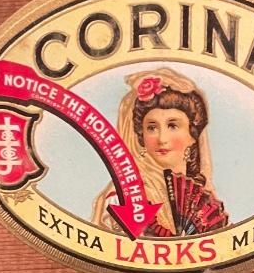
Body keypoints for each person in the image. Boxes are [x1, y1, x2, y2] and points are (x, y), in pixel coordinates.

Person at [91, 67, 229, 236]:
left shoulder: (203, 201)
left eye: (173, 126)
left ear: (193, 134)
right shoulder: (126, 194)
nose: (162, 138)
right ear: (141, 136)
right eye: (152, 128)